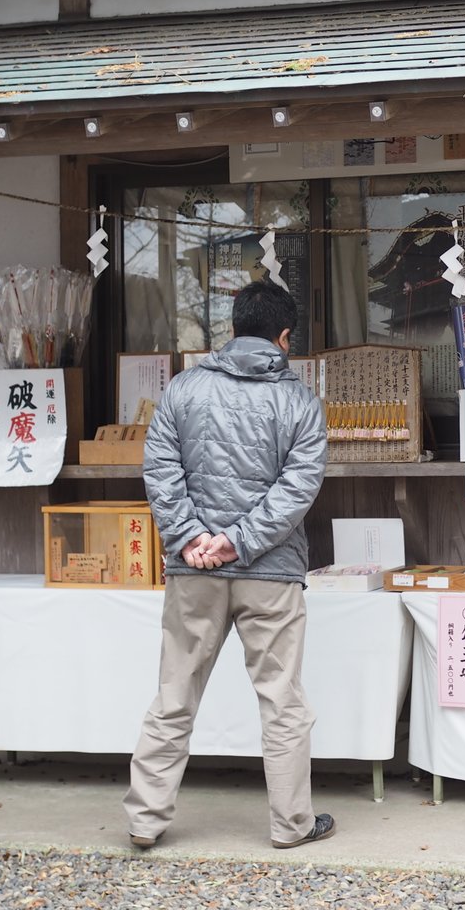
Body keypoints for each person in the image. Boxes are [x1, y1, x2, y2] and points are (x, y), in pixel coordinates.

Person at [124, 280, 334, 849]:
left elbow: (160, 468)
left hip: (193, 570)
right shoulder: (300, 403)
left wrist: (193, 536)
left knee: (174, 695)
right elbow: (297, 491)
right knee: (282, 700)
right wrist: (237, 541)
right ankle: (292, 825)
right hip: (270, 572)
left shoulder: (183, 389)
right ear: (284, 337)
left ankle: (145, 820)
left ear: (233, 327)